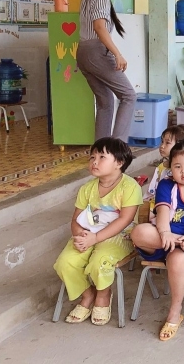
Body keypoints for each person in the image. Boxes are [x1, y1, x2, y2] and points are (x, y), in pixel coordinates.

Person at [130, 139, 184, 341]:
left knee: (177, 259)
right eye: (177, 166)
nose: (183, 171)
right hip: (163, 237)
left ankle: (175, 313)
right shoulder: (166, 184)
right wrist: (165, 232)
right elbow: (162, 211)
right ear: (170, 168)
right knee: (138, 232)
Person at [53, 137, 142, 325]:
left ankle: (103, 294)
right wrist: (79, 236)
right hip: (88, 235)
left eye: (102, 157)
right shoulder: (87, 189)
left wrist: (96, 238)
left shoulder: (129, 186)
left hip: (119, 236)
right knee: (65, 263)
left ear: (119, 162)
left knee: (99, 262)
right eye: (92, 157)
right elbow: (76, 219)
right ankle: (88, 294)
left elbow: (125, 220)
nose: (94, 161)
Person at [75, 0, 136, 141]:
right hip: (96, 52)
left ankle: (101, 149)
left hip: (83, 53)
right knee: (128, 95)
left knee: (105, 102)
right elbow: (100, 27)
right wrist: (117, 54)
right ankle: (118, 146)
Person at [145, 125, 184, 220]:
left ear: (179, 145)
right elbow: (151, 192)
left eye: (167, 143)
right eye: (162, 141)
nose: (162, 146)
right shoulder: (161, 167)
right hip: (157, 206)